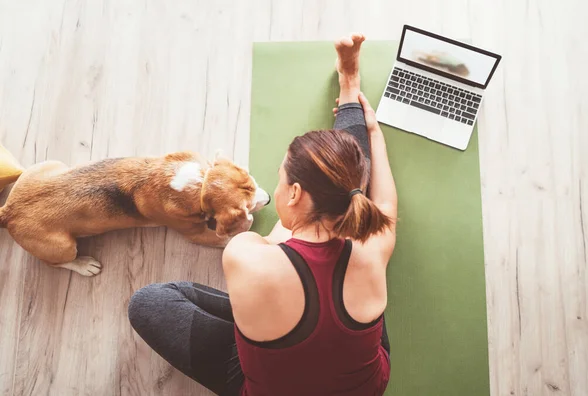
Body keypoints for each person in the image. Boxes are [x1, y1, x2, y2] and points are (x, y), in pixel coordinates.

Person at [128, 33, 398, 396]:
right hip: (365, 387)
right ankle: (350, 84)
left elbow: (288, 238)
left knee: (148, 302)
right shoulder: (373, 243)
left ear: (297, 194)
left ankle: (349, 86)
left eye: (281, 180)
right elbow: (385, 207)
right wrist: (373, 132)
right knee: (349, 183)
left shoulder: (246, 255)